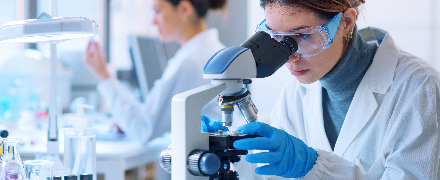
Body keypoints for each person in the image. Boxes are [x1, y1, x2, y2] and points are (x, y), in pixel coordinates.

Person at [204, 0, 440, 179]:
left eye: (303, 35)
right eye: (276, 37)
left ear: (346, 22)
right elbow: (269, 172)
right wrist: (227, 150)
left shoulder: (418, 88)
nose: (288, 56)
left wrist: (313, 166)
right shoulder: (294, 95)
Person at [84, 0, 227, 144]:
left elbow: (143, 128)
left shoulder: (191, 62)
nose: (153, 21)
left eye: (158, 11)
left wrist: (104, 75)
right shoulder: (213, 51)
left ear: (184, 9)